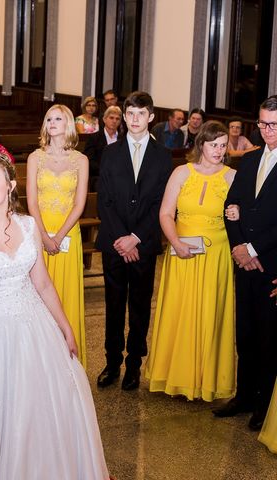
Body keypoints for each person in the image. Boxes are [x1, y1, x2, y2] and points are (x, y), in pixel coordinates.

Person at [0, 155, 108, 479]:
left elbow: (42, 282)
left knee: (42, 412)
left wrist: (66, 328)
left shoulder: (29, 226)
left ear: (11, 186)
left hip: (35, 328)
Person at [145, 121, 236, 401]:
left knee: (210, 312)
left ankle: (206, 380)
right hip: (182, 251)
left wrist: (236, 213)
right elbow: (165, 213)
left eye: (223, 145)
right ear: (201, 145)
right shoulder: (181, 172)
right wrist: (175, 242)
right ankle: (175, 375)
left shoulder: (232, 176)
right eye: (213, 145)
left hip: (216, 255)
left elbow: (244, 212)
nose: (219, 151)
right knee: (179, 310)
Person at [95, 91, 172, 391]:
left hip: (144, 243)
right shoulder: (110, 153)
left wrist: (136, 238)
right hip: (115, 243)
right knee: (113, 305)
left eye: (141, 114)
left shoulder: (163, 157)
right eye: (130, 114)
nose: (135, 119)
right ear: (124, 117)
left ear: (151, 117)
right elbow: (105, 202)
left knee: (140, 306)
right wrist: (121, 240)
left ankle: (134, 365)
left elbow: (160, 204)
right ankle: (112, 361)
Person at [216, 96, 277, 431]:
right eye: (263, 123)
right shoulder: (250, 159)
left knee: (269, 337)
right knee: (247, 332)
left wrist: (253, 248)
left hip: (271, 264)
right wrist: (239, 246)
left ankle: (264, 404)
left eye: (273, 125)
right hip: (244, 260)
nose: (266, 131)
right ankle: (244, 396)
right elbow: (231, 204)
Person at [26, 105, 89, 368]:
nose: (52, 122)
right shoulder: (35, 157)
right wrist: (42, 235)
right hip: (38, 231)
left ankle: (66, 362)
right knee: (37, 294)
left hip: (67, 233)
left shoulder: (80, 160)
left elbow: (79, 204)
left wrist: (59, 236)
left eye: (58, 118)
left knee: (64, 293)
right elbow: (31, 201)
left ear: (69, 124)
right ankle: (38, 362)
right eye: (48, 118)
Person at [84, 105, 122, 192]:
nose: (114, 121)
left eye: (117, 119)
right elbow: (89, 160)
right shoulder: (94, 138)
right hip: (99, 176)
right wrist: (105, 171)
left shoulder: (123, 140)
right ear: (104, 119)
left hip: (119, 176)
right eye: (111, 118)